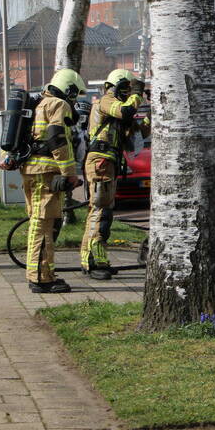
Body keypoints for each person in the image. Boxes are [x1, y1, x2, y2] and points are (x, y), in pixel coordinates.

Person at [80, 68, 149, 280]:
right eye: (127, 90)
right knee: (101, 212)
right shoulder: (106, 101)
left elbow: (137, 136)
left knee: (101, 210)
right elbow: (126, 112)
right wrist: (137, 94)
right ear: (118, 86)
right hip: (100, 161)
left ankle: (91, 259)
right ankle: (94, 261)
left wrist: (152, 114)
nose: (130, 94)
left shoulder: (117, 109)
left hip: (107, 162)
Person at [20, 68, 85, 293]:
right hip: (46, 172)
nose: (75, 100)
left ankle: (41, 274)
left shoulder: (38, 103)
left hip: (31, 170)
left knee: (38, 223)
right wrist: (70, 174)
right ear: (69, 89)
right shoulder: (58, 104)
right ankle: (40, 278)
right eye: (75, 94)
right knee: (43, 225)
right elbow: (59, 140)